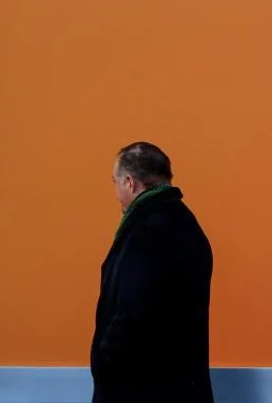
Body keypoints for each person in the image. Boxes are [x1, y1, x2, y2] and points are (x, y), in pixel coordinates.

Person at [90, 141, 214, 403]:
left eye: (115, 182)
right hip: (181, 385)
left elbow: (131, 311)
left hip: (140, 387)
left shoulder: (147, 233)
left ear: (130, 183)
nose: (116, 192)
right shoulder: (187, 226)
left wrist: (105, 361)